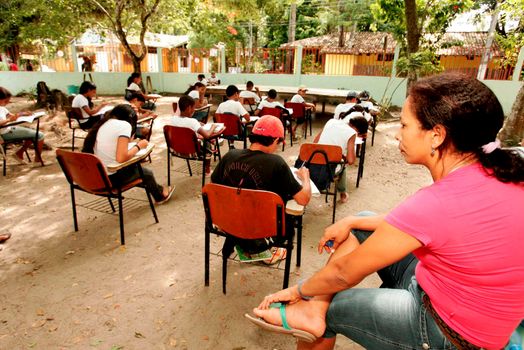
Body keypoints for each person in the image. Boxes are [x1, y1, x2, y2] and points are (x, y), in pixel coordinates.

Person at [247, 73, 524, 350]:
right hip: (448, 295)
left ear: (436, 135)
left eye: (404, 125)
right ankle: (314, 309)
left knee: (334, 303)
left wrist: (300, 290)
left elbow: (345, 273)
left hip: (448, 333)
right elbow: (430, 227)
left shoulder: (437, 202)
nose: (396, 132)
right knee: (364, 224)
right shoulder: (498, 173)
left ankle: (315, 312)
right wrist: (352, 219)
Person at [211, 115, 312, 262]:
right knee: (290, 220)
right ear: (276, 140)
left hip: (228, 222)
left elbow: (213, 187)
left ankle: (238, 242)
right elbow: (303, 199)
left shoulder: (230, 155)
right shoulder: (277, 163)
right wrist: (305, 178)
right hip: (264, 228)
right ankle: (263, 248)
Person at [82, 104, 174, 204]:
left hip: (97, 177)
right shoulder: (124, 125)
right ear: (130, 119)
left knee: (137, 168)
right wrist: (139, 146)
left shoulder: (104, 123)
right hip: (111, 179)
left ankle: (158, 189)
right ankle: (160, 197)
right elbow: (121, 158)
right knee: (147, 173)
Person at [296, 113, 368, 203]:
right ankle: (343, 193)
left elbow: (315, 142)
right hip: (327, 170)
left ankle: (343, 193)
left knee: (337, 159)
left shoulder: (331, 121)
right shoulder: (352, 133)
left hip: (311, 163)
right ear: (358, 131)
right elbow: (350, 160)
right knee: (343, 166)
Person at [167, 95, 220, 175]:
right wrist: (213, 126)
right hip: (192, 152)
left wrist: (198, 124)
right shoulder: (192, 122)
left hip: (176, 150)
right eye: (193, 108)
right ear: (189, 108)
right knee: (207, 142)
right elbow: (207, 135)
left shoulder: (172, 119)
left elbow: (183, 123)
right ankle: (207, 170)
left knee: (199, 138)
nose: (194, 110)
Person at [0, 87, 45, 165]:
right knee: (40, 135)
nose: (7, 103)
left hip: (8, 128)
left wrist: (23, 114)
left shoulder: (2, 108)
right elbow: (8, 119)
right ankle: (37, 161)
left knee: (32, 133)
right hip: (4, 133)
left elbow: (11, 115)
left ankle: (19, 153)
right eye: (5, 101)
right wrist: (9, 120)